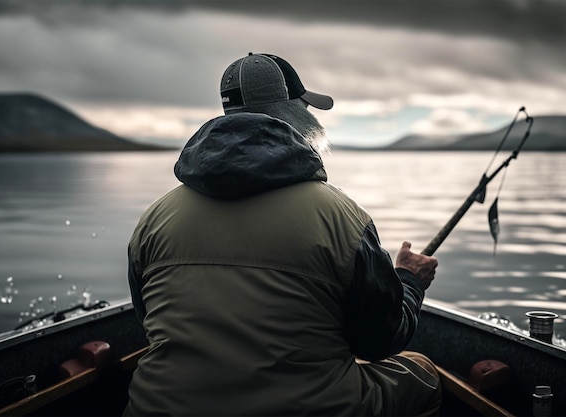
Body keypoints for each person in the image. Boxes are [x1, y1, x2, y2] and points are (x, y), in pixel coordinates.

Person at [125, 52, 441, 416]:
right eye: (306, 107)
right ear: (293, 113)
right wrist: (410, 280)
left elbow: (147, 324)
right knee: (424, 375)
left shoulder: (153, 220)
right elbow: (380, 342)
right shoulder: (342, 219)